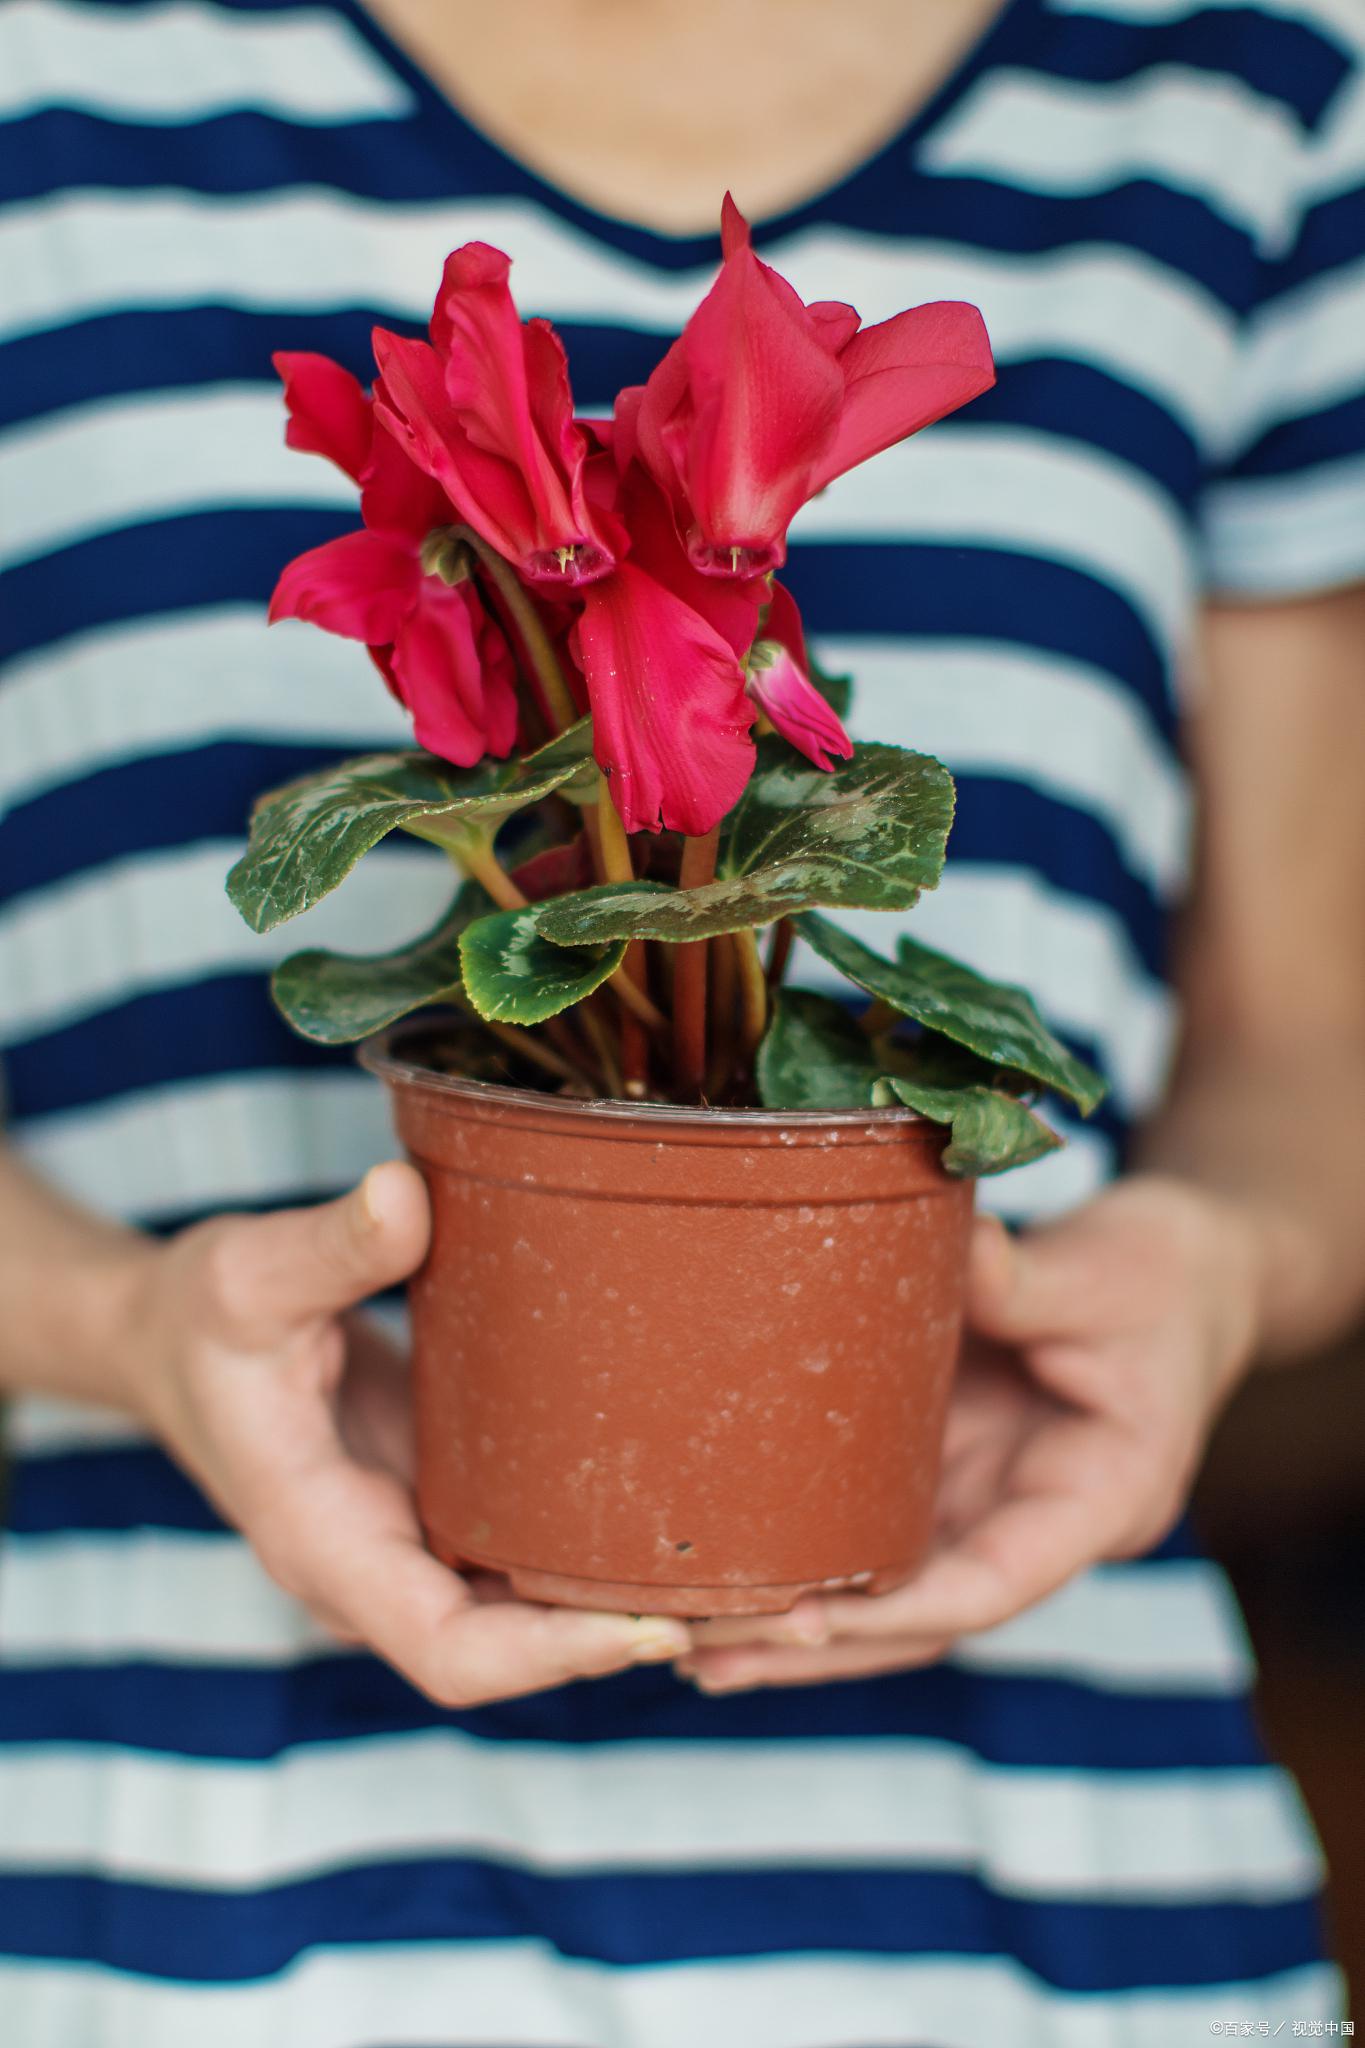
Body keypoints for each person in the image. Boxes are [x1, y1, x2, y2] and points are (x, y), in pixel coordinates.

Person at [2, 0, 1365, 2039]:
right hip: (180, 1865)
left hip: (1028, 1882)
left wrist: (1214, 1270)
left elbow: (1311, 1056)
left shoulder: (1232, 109)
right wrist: (129, 1328)